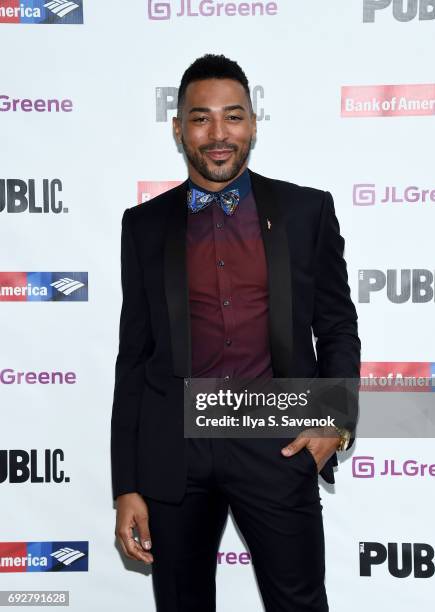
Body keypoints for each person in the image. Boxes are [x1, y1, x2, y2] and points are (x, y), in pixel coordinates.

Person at [111, 54, 360, 612]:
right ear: (178, 128)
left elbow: (337, 322)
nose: (218, 134)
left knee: (298, 602)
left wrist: (334, 418)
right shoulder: (144, 226)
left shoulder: (305, 211)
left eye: (233, 117)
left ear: (253, 122)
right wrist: (126, 484)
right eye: (201, 119)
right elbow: (135, 357)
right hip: (174, 451)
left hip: (275, 441)